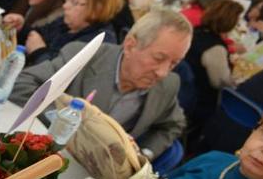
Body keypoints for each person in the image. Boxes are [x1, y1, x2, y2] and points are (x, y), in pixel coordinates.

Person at [11, 8, 192, 159]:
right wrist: (65, 123)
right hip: (45, 155)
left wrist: (143, 152)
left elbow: (172, 125)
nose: (163, 72)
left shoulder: (168, 85)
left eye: (174, 63)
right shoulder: (85, 55)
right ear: (130, 45)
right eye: (158, 58)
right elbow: (23, 84)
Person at [24, 0, 123, 65]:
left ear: (96, 9)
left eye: (74, 2)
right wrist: (21, 27)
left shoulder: (99, 44)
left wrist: (39, 52)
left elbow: (60, 75)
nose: (65, 6)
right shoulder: (68, 22)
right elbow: (38, 33)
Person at [185, 0, 244, 129]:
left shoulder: (195, 31)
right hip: (196, 102)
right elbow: (220, 82)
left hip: (183, 90)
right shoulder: (215, 48)